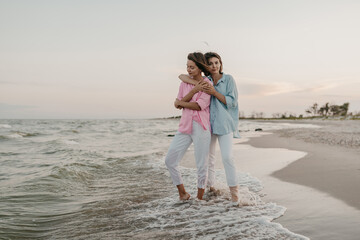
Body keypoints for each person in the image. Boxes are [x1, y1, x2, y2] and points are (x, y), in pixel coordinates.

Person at [179, 52, 240, 202]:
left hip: (225, 124)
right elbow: (182, 76)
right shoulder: (205, 80)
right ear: (205, 66)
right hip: (208, 125)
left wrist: (214, 92)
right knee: (209, 159)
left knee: (227, 157)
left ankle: (234, 193)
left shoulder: (228, 80)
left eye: (216, 62)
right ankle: (210, 187)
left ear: (220, 64)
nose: (214, 66)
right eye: (211, 63)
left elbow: (232, 102)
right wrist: (196, 84)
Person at [165, 52, 212, 200]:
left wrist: (181, 103)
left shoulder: (207, 84)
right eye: (187, 66)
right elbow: (178, 104)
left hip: (201, 127)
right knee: (170, 161)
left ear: (199, 68)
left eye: (192, 67)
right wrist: (193, 90)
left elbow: (198, 106)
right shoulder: (184, 83)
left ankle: (199, 199)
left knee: (201, 165)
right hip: (185, 126)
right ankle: (183, 193)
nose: (189, 70)